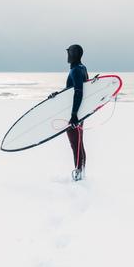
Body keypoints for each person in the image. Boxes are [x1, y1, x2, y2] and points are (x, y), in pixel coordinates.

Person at [48, 44, 88, 180]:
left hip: (74, 114)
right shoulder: (82, 68)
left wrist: (73, 115)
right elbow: (73, 90)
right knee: (79, 143)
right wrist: (58, 95)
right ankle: (81, 172)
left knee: (75, 143)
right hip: (79, 112)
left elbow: (79, 92)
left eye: (69, 52)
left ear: (75, 54)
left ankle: (78, 174)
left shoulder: (76, 70)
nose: (68, 55)